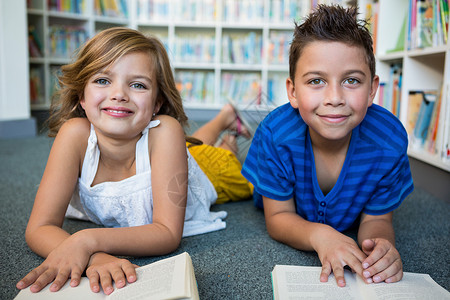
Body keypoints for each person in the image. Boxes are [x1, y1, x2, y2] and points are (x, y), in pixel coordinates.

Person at [16, 27, 252, 295]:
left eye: (137, 84)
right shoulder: (74, 135)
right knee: (190, 145)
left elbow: (166, 233)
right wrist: (95, 257)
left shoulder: (166, 130)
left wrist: (86, 240)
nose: (119, 94)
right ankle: (225, 118)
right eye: (103, 80)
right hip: (168, 156)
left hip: (211, 173)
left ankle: (227, 137)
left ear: (156, 104)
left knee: (220, 159)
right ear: (82, 95)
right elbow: (39, 227)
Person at [241, 5, 414, 288]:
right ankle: (229, 132)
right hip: (270, 186)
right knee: (227, 171)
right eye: (317, 81)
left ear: (372, 90)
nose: (334, 98)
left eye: (351, 80)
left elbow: (377, 218)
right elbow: (279, 216)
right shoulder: (275, 134)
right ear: (293, 92)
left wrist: (379, 246)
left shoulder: (388, 141)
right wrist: (320, 235)